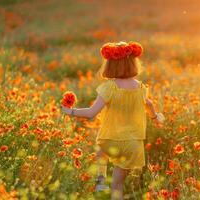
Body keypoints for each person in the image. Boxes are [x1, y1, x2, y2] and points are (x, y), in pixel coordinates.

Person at [61, 41, 164, 200]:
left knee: (101, 151)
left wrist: (70, 111)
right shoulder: (141, 87)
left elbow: (91, 113)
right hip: (133, 143)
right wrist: (155, 117)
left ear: (110, 65)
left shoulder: (109, 87)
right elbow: (149, 104)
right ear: (133, 63)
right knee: (117, 186)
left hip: (111, 138)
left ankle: (101, 180)